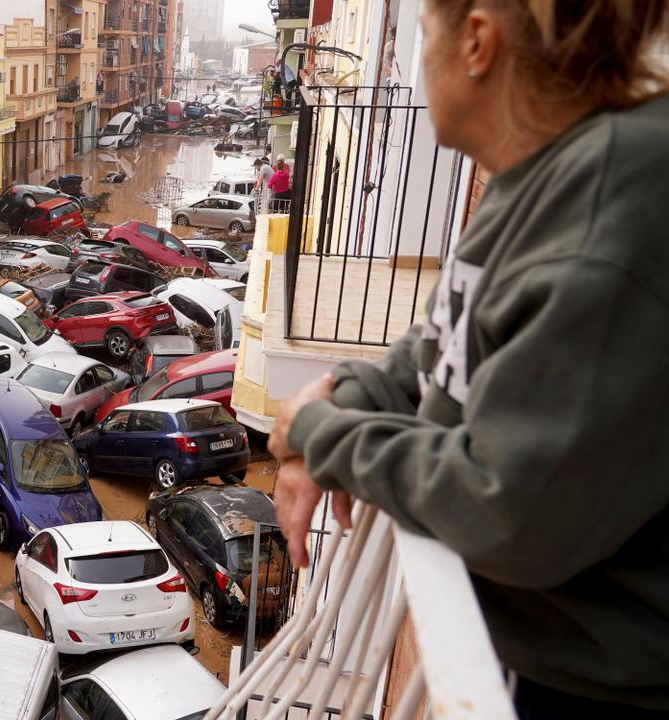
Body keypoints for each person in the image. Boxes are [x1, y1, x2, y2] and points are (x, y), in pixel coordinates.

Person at [266, 0, 668, 717]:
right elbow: (435, 349)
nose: (418, 64)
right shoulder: (538, 176)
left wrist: (318, 434)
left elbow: (507, 511)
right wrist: (342, 406)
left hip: (597, 689)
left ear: (478, 42)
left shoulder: (612, 202)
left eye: (423, 36)